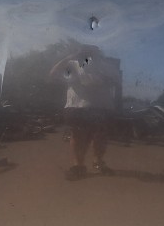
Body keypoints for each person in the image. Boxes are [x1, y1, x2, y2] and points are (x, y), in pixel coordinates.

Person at [49, 45, 120, 180]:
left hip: (102, 107)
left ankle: (98, 162)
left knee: (101, 136)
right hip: (77, 106)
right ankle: (78, 166)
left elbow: (116, 82)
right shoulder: (72, 64)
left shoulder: (108, 66)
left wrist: (103, 80)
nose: (90, 52)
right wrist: (70, 57)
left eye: (93, 49)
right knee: (77, 136)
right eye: (86, 49)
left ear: (99, 51)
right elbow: (53, 75)